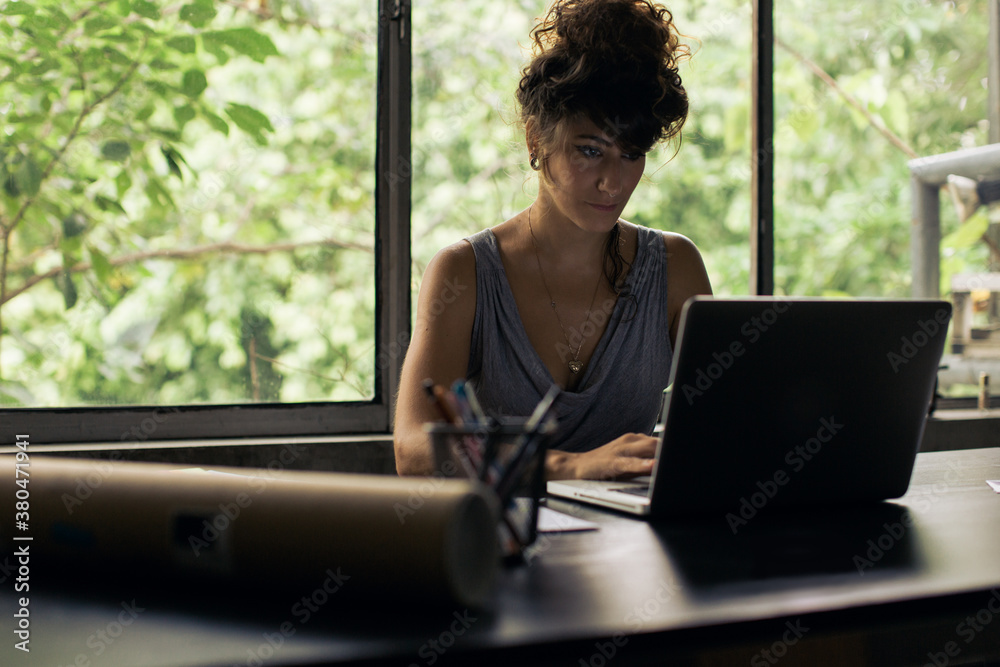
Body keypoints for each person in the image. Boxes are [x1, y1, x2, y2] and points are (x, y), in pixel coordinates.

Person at [393, 0, 712, 480]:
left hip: (633, 545)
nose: (613, 182)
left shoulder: (675, 265)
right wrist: (568, 466)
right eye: (590, 151)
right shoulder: (465, 272)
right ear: (535, 141)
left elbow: (729, 424)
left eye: (631, 155)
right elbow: (415, 449)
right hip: (503, 546)